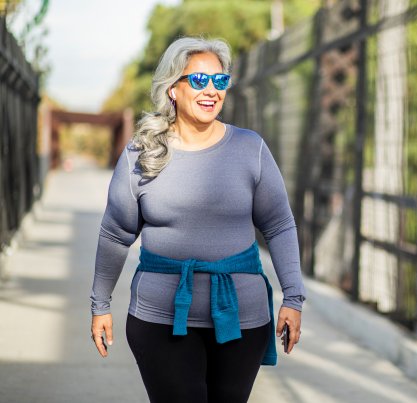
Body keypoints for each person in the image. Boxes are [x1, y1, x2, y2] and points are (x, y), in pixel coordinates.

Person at [89, 36, 305, 403]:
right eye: (199, 80)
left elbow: (280, 224)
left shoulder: (250, 148)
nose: (211, 91)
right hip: (159, 317)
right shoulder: (141, 153)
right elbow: (115, 234)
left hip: (242, 320)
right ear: (173, 89)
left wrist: (293, 298)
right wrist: (100, 304)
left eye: (219, 81)